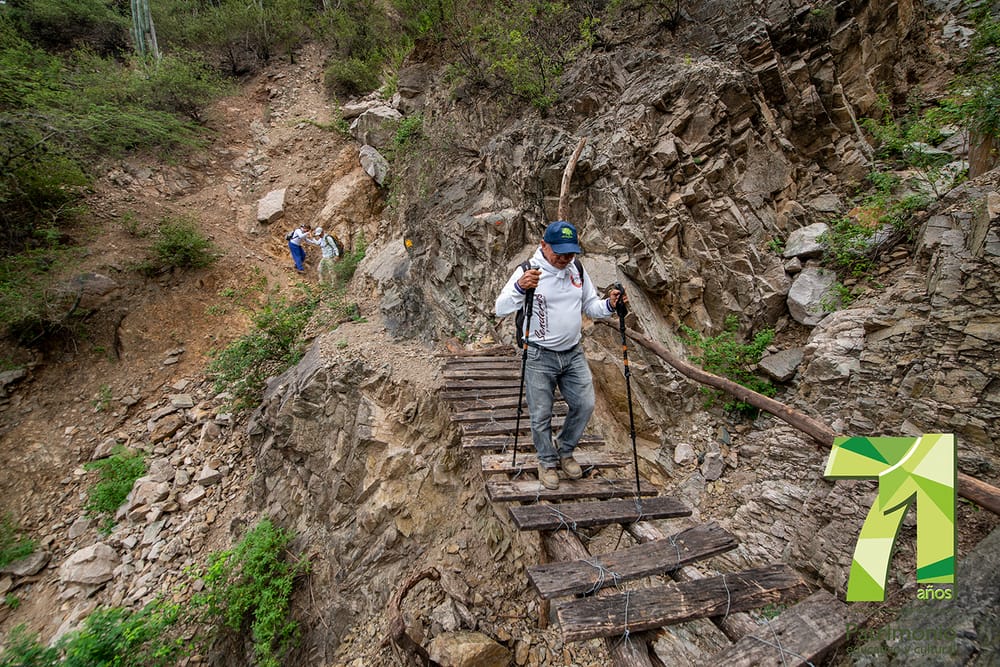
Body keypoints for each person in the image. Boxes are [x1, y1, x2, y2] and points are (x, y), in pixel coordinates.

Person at [494, 221, 625, 489]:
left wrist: (610, 305)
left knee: (585, 404)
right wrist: (520, 287)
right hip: (540, 355)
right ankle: (546, 461)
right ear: (544, 246)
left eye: (571, 252)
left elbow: (591, 306)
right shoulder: (528, 271)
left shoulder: (576, 270)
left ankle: (564, 450)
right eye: (560, 252)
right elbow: (500, 308)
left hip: (573, 352)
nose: (566, 258)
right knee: (541, 413)